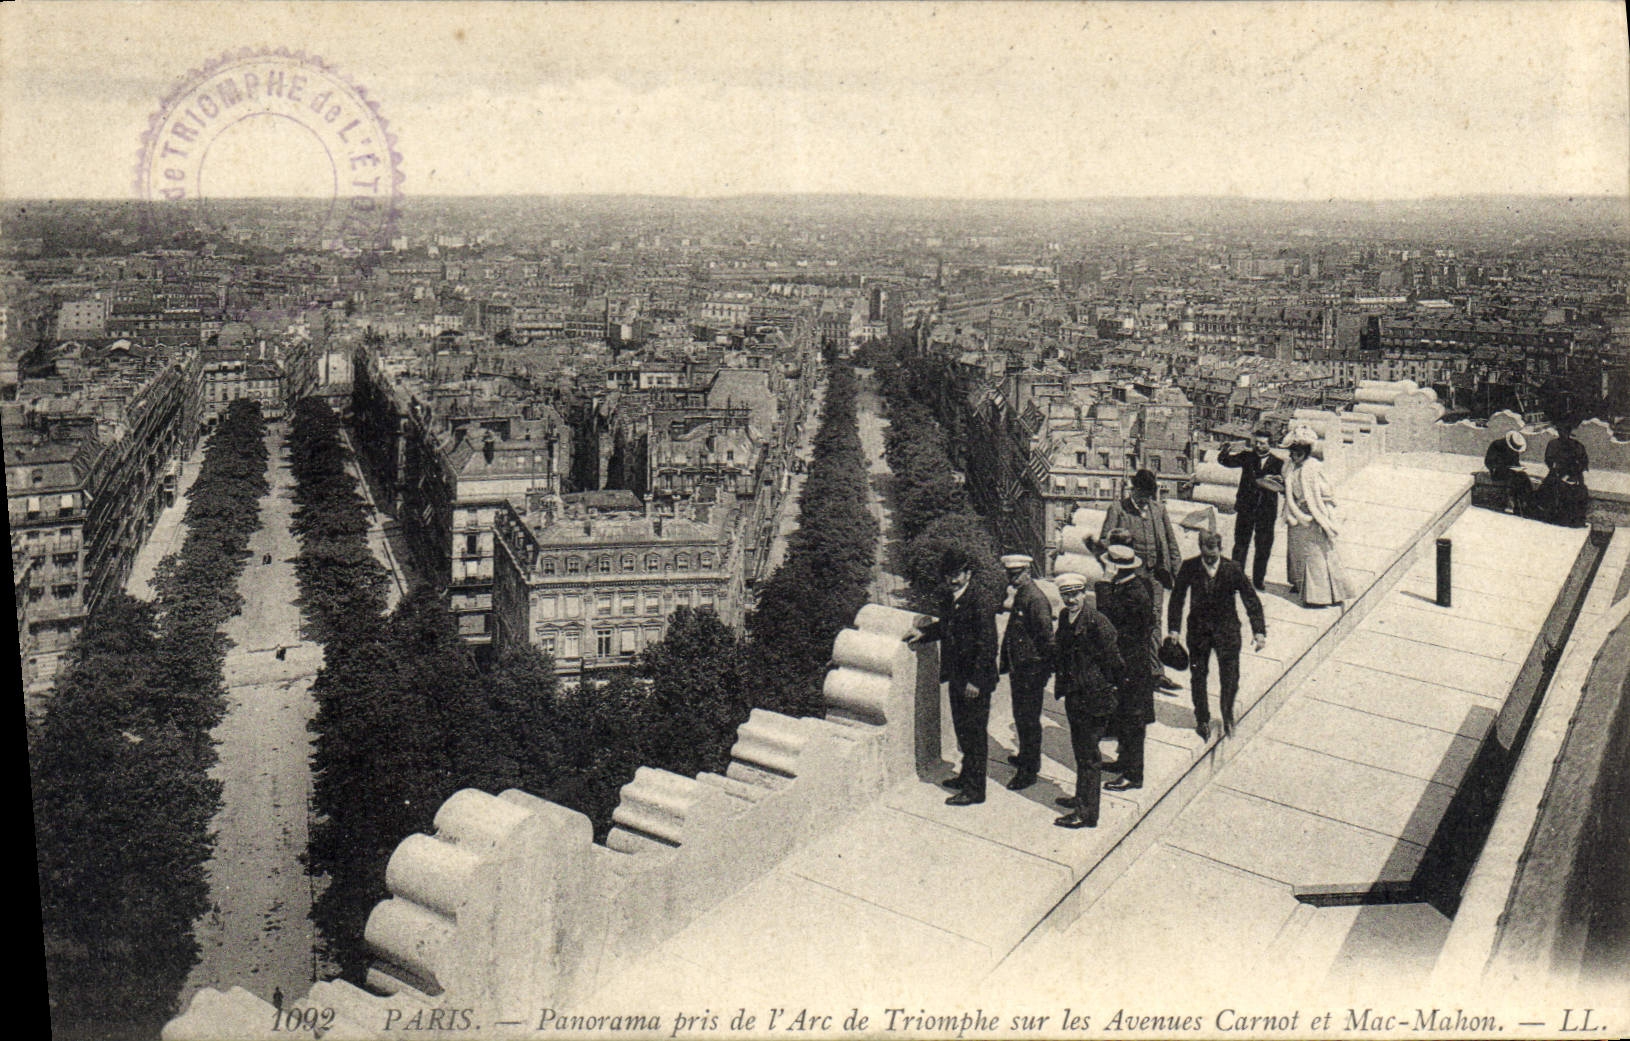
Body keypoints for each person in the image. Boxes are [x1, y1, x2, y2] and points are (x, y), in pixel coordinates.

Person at [906, 547, 999, 806]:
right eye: (949, 575)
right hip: (958, 676)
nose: (953, 579)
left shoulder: (980, 599)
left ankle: (975, 791)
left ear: (968, 574)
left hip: (974, 681)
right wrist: (924, 634)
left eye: (957, 574)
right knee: (963, 732)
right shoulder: (952, 598)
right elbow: (948, 627)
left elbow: (988, 644)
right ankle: (965, 776)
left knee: (974, 735)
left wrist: (976, 681)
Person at [1168, 531, 1268, 740]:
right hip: (1198, 632)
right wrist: (1174, 630)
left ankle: (1227, 713)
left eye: (1214, 552)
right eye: (1206, 551)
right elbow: (1177, 598)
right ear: (1201, 548)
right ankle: (1202, 719)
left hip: (1227, 632)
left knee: (1230, 677)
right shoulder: (1190, 567)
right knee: (1198, 675)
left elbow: (1251, 599)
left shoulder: (1233, 569)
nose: (1210, 557)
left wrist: (1258, 631)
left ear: (1220, 548)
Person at [1050, 572, 1124, 829]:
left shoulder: (1097, 622)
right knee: (1081, 753)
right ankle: (1082, 798)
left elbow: (1115, 661)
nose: (1071, 600)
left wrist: (1104, 687)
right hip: (1075, 696)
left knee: (1089, 757)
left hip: (1093, 698)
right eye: (1066, 595)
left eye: (1075, 594)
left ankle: (1087, 813)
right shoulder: (1065, 617)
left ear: (1084, 594)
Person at [1100, 469, 1182, 691]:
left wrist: (1177, 572)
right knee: (1127, 624)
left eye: (1149, 495)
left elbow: (1171, 542)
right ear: (1134, 490)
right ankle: (1125, 672)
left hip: (1155, 575)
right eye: (1143, 494)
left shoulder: (1158, 510)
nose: (1146, 500)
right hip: (1129, 577)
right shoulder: (1118, 510)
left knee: (1155, 620)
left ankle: (1156, 673)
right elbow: (1104, 542)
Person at [1095, 545, 1154, 792]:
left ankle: (1133, 775)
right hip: (1129, 664)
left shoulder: (1133, 593)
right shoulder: (1133, 586)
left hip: (1132, 666)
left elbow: (1106, 616)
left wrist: (1104, 583)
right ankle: (1125, 762)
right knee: (1125, 718)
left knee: (1133, 720)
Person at [997, 554, 1054, 791]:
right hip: (1020, 669)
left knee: (1029, 721)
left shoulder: (1035, 599)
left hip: (1031, 671)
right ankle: (1025, 756)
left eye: (1017, 574)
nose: (1012, 578)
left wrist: (1042, 673)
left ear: (1027, 572)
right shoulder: (1022, 594)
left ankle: (1029, 770)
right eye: (1010, 574)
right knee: (1021, 717)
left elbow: (1047, 641)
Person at [1281, 426, 1354, 607]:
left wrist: (1325, 514)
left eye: (1298, 453)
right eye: (1292, 453)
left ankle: (1320, 596)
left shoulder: (1314, 468)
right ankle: (1299, 584)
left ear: (1306, 453)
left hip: (1313, 517)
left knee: (1316, 555)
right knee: (1297, 552)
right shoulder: (1289, 468)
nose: (1294, 457)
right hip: (1296, 516)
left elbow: (1325, 493)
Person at [1218, 428, 1284, 591]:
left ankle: (1258, 580)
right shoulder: (1247, 457)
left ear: (1271, 444)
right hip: (1246, 508)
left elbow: (1284, 486)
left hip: (1266, 511)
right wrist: (1226, 449)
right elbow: (1225, 461)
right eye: (1256, 442)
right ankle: (1236, 579)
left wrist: (1274, 482)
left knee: (1263, 546)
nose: (1258, 446)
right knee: (1240, 544)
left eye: (1262, 443)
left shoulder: (1278, 463)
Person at [1538, 417, 1590, 528]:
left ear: (1569, 432)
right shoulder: (1553, 444)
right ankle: (1552, 516)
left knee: (1578, 492)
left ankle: (1573, 519)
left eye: (1565, 431)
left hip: (1574, 474)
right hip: (1557, 473)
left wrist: (1574, 473)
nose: (1563, 434)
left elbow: (1583, 462)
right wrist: (1555, 468)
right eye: (1560, 431)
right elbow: (1549, 460)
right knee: (1549, 488)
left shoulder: (1577, 446)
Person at [1483, 430, 1533, 517]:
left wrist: (1519, 468)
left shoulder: (1514, 448)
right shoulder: (1496, 445)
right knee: (1515, 479)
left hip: (1511, 472)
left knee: (1524, 477)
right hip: (1498, 472)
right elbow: (1489, 463)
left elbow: (1515, 463)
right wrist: (1504, 466)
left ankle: (1525, 504)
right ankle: (1514, 505)